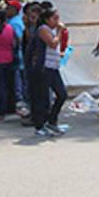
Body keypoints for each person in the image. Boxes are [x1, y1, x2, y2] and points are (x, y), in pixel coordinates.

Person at [29, 8, 68, 136]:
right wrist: (59, 31)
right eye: (54, 18)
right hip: (44, 67)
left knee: (62, 94)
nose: (57, 21)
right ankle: (39, 125)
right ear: (47, 19)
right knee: (43, 98)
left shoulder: (52, 30)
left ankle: (52, 120)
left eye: (58, 18)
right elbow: (52, 44)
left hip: (54, 67)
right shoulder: (43, 29)